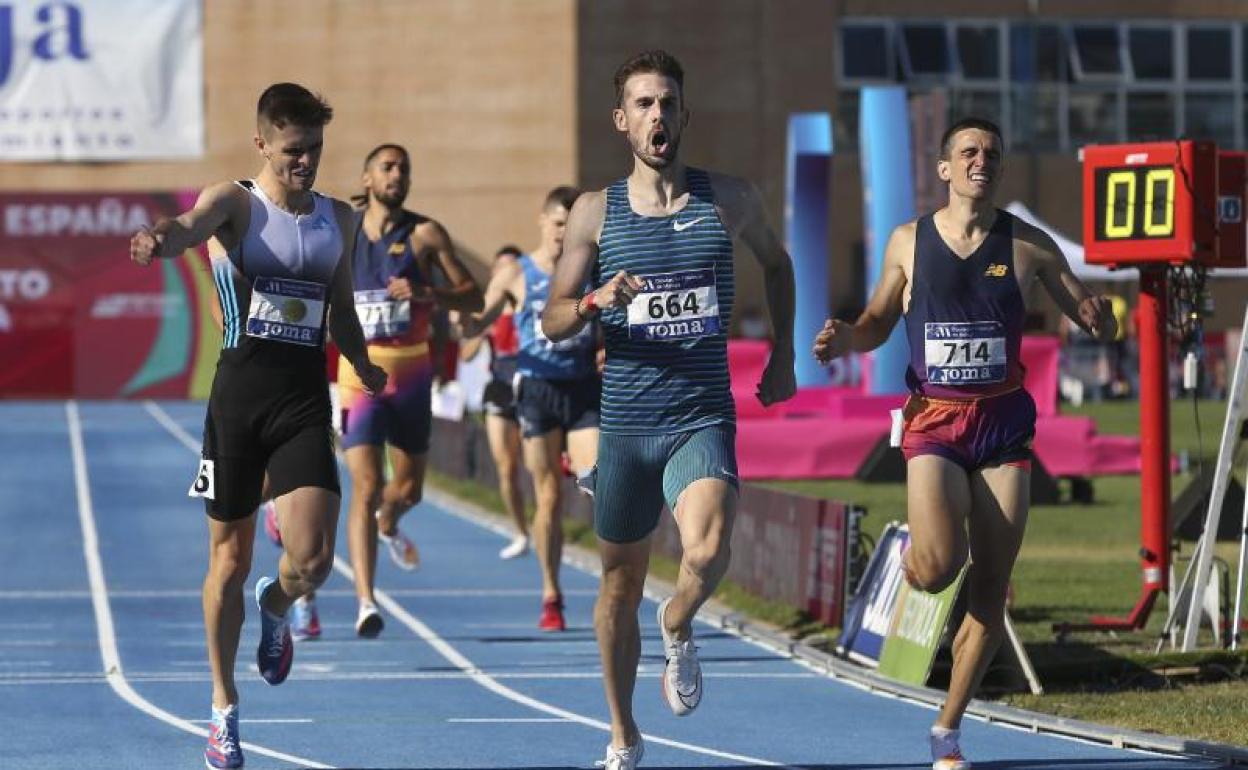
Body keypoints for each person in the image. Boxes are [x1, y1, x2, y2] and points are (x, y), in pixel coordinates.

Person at [813, 117, 1115, 770]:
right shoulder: (908, 241)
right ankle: (906, 567)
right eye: (969, 152)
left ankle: (947, 731)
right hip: (935, 423)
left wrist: (1102, 317)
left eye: (993, 154)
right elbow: (876, 321)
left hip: (1003, 425)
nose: (983, 161)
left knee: (992, 586)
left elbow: (1087, 310)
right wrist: (846, 337)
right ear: (945, 168)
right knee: (939, 566)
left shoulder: (1028, 245)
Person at [541, 51, 796, 770]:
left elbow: (778, 265)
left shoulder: (732, 199)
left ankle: (678, 619)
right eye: (644, 105)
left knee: (707, 549)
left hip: (700, 414)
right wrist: (594, 299)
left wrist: (783, 356)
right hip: (624, 423)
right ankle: (623, 736)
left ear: (685, 115)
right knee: (617, 584)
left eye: (668, 103)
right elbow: (552, 318)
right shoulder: (596, 210)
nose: (658, 116)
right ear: (623, 121)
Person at [128, 82, 387, 770]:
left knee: (312, 560)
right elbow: (187, 226)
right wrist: (159, 239)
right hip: (239, 401)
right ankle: (222, 708)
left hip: (303, 399)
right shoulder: (235, 204)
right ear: (263, 144)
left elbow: (341, 309)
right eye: (294, 150)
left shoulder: (339, 218)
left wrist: (362, 361)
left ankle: (277, 606)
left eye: (315, 150)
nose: (305, 162)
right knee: (228, 560)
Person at [338, 143, 482, 638]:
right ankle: (365, 601)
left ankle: (388, 522)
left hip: (412, 373)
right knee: (365, 485)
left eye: (404, 167)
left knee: (410, 490)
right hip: (359, 373)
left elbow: (475, 295)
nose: (397, 174)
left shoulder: (425, 234)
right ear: (367, 176)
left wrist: (428, 293)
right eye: (388, 166)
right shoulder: (343, 230)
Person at [459, 187, 597, 633]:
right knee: (549, 498)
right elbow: (479, 319)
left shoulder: (593, 269)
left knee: (597, 478)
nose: (564, 234)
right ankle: (551, 591)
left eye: (572, 225)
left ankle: (617, 580)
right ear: (543, 222)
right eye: (558, 224)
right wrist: (465, 318)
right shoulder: (518, 274)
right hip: (536, 389)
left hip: (581, 387)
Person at [458, 245, 530, 559]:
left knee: (535, 466)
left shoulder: (531, 303)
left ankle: (545, 522)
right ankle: (520, 531)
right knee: (506, 466)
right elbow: (466, 353)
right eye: (501, 268)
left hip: (532, 386)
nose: (507, 273)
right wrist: (481, 327)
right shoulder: (492, 310)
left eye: (512, 267)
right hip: (500, 387)